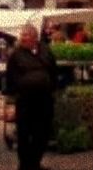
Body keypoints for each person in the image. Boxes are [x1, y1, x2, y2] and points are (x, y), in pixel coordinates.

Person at [6, 24, 58, 170]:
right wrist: (10, 103)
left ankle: (34, 163)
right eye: (22, 35)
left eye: (26, 35)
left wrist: (53, 88)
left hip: (45, 100)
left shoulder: (46, 51)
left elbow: (53, 70)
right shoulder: (15, 55)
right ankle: (24, 166)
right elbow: (10, 78)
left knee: (42, 134)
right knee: (24, 135)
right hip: (25, 101)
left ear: (35, 37)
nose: (23, 38)